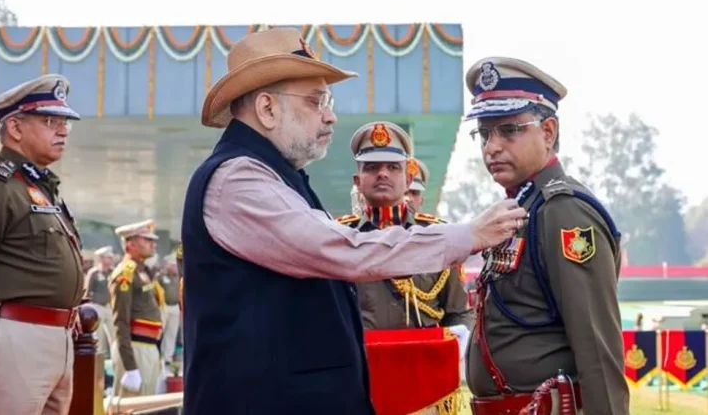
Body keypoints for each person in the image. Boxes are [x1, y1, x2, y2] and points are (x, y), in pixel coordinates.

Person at [181, 27, 528, 415]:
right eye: (316, 101)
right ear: (267, 108)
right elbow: (344, 250)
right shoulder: (238, 180)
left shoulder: (273, 176)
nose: (330, 116)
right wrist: (468, 235)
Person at [462, 57, 628, 414]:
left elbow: (597, 349)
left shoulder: (564, 212)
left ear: (548, 132)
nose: (491, 147)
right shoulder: (523, 208)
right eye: (484, 134)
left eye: (509, 130)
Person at [0, 74, 84, 415]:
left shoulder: (36, 188)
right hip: (9, 339)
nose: (63, 131)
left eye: (65, 123)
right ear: (15, 127)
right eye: (50, 121)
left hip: (51, 339)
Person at [337, 121, 473, 334]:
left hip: (424, 355)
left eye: (393, 167)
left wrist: (459, 341)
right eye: (372, 167)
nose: (382, 174)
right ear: (357, 181)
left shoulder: (437, 236)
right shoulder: (338, 238)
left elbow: (459, 313)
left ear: (408, 179)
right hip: (361, 355)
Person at [109, 219, 165, 397]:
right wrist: (130, 367)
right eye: (147, 239)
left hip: (149, 347)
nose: (153, 243)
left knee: (146, 404)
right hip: (135, 348)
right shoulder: (125, 274)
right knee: (131, 405)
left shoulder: (144, 270)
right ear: (130, 244)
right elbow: (120, 322)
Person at [84, 245, 117, 357]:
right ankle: (99, 359)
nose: (110, 260)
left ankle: (115, 357)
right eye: (108, 257)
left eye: (111, 258)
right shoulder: (94, 273)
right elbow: (87, 291)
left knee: (114, 335)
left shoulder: (113, 272)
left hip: (109, 306)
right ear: (101, 258)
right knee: (99, 337)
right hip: (97, 306)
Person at [156, 252, 181, 366]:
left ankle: (168, 357)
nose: (175, 267)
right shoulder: (161, 276)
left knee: (172, 332)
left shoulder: (178, 276)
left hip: (175, 306)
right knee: (159, 332)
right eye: (173, 265)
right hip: (164, 307)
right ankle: (157, 355)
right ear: (168, 265)